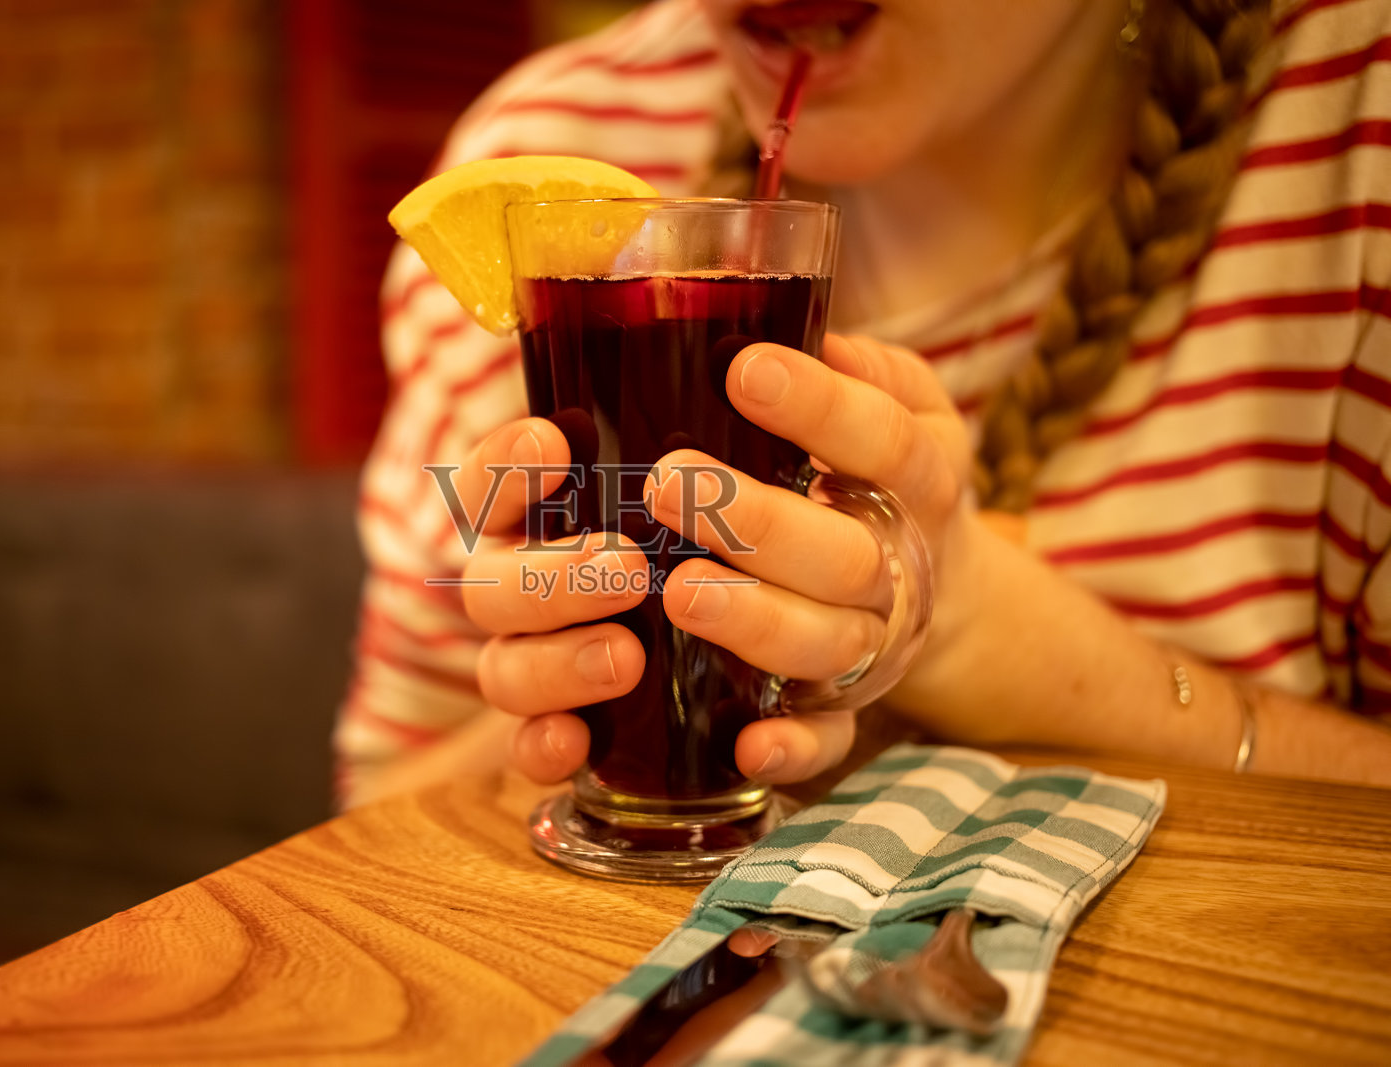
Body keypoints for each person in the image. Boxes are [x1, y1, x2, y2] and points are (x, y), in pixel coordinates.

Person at [338, 0, 1391, 806]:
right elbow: (372, 815)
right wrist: (604, 701)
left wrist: (976, 628)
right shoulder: (546, 163)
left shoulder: (1357, 126)